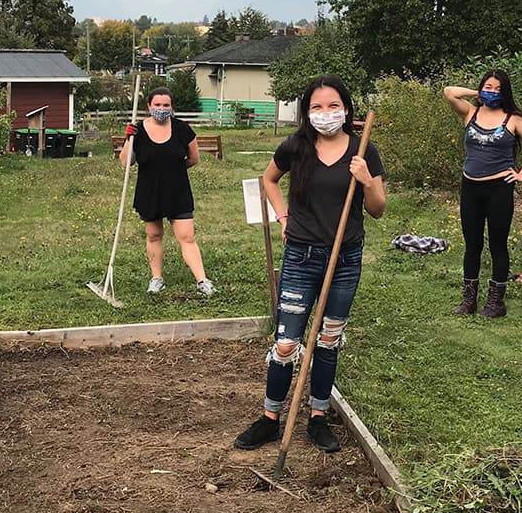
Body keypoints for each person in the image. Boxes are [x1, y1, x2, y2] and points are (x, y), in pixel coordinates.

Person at [233, 75, 386, 454]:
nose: (325, 113)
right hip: (301, 257)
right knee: (286, 343)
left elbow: (378, 209)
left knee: (328, 341)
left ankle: (318, 418)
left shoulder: (363, 151)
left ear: (346, 109)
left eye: (333, 106)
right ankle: (270, 419)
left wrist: (366, 180)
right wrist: (283, 218)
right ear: (307, 112)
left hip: (345, 258)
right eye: (316, 107)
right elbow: (269, 180)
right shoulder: (295, 147)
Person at [443, 70, 522, 318]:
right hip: (470, 188)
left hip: (499, 189)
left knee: (498, 245)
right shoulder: (470, 112)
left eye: (498, 89)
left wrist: (521, 174)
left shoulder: (514, 119)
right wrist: (479, 93)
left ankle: (496, 303)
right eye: (489, 87)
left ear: (506, 92)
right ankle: (469, 301)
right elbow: (448, 92)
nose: (492, 92)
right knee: (472, 245)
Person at [121, 87, 215, 295]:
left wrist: (173, 171)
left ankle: (202, 281)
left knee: (187, 236)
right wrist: (128, 140)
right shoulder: (138, 131)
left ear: (171, 107)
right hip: (149, 191)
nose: (162, 109)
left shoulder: (183, 130)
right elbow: (125, 163)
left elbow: (194, 158)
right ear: (149, 106)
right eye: (157, 105)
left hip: (177, 191)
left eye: (166, 105)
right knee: (154, 235)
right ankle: (156, 279)